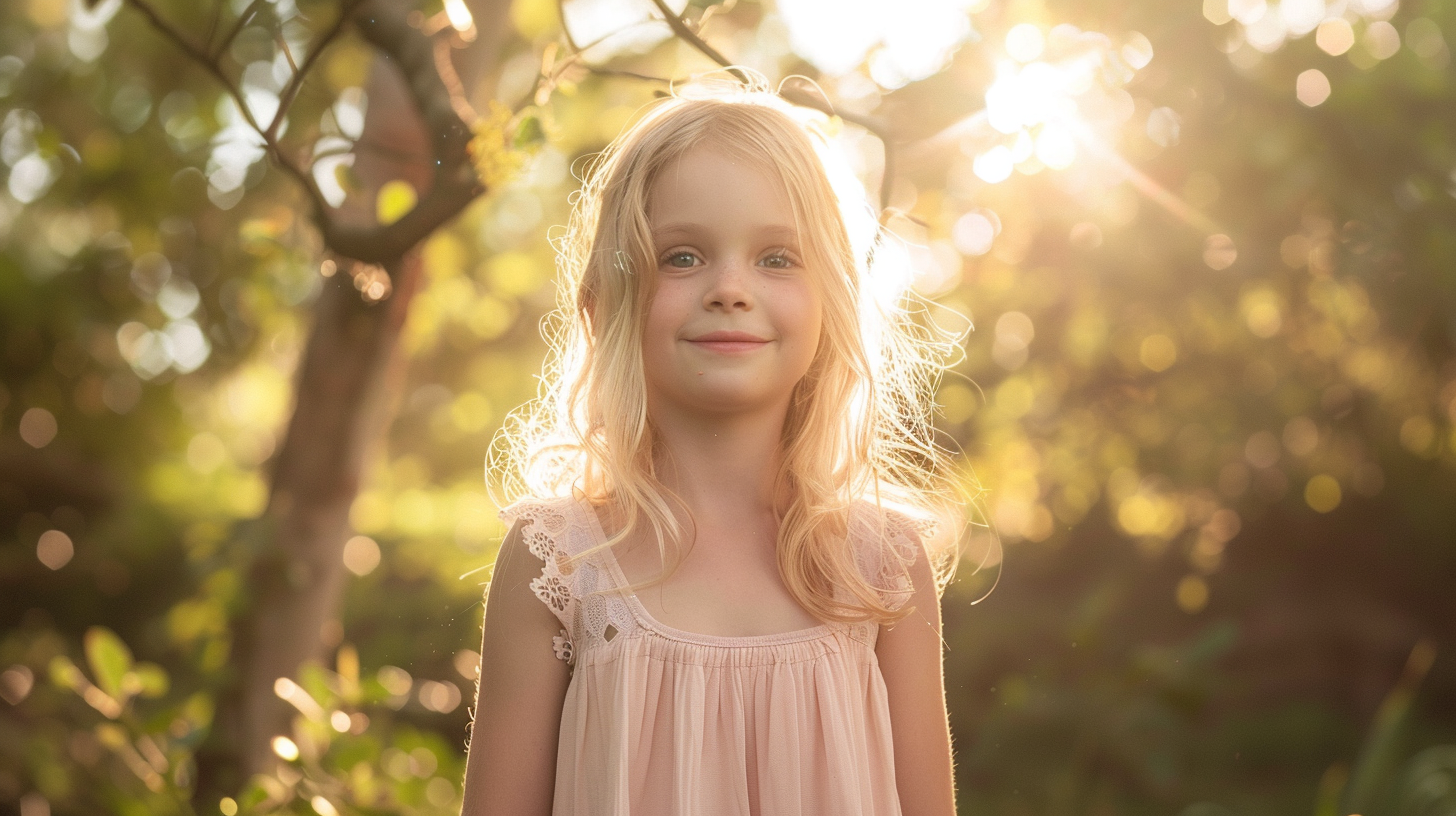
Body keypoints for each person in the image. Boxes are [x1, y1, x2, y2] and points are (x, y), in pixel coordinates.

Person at [460, 72, 971, 816]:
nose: (731, 288)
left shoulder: (881, 569)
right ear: (608, 300)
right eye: (683, 257)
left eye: (776, 258)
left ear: (831, 302)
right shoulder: (562, 563)